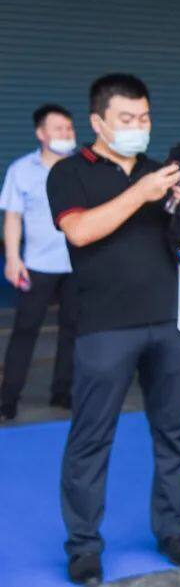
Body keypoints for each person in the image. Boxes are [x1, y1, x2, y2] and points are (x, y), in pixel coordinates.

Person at [47, 74, 180, 585]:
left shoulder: (161, 172)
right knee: (91, 439)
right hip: (104, 328)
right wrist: (141, 194)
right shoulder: (69, 174)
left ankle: (172, 529)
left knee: (174, 433)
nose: (139, 128)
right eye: (127, 120)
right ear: (98, 123)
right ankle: (84, 546)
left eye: (145, 118)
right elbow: (81, 230)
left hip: (169, 324)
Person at [0, 105, 79, 421]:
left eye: (70, 129)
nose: (66, 134)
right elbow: (13, 217)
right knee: (25, 331)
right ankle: (8, 398)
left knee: (72, 331)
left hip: (77, 265)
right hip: (37, 265)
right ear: (41, 134)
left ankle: (63, 393)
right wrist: (12, 257)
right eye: (59, 128)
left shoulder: (79, 168)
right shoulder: (22, 169)